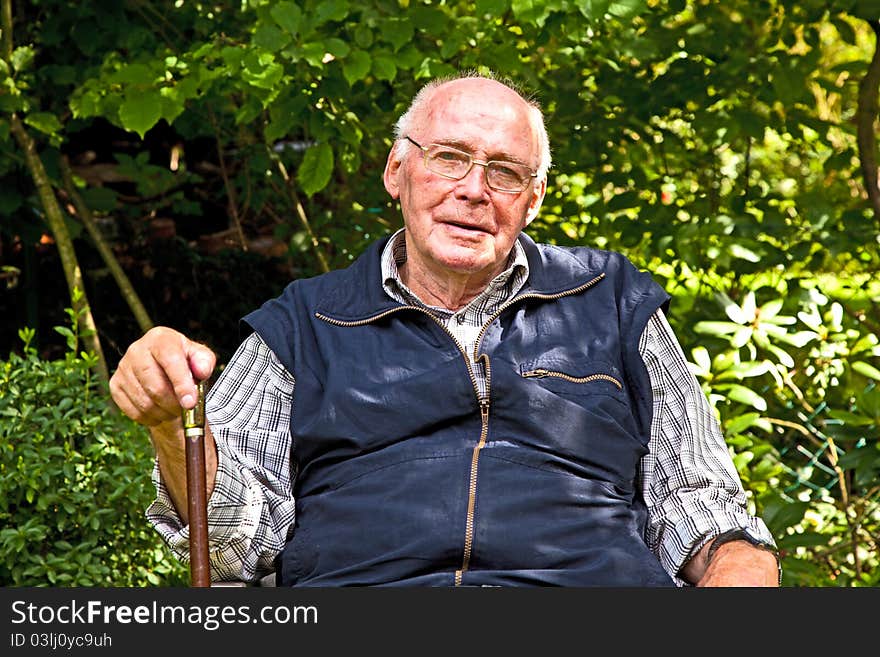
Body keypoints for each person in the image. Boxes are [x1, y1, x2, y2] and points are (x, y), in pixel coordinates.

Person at [109, 71, 781, 587]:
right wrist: (172, 427)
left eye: (504, 171)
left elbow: (704, 509)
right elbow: (235, 545)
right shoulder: (304, 323)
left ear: (532, 198)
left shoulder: (611, 301)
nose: (473, 188)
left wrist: (740, 577)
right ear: (397, 171)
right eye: (451, 157)